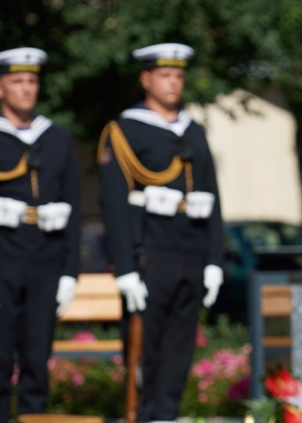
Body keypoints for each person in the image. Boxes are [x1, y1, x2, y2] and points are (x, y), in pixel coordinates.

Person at [98, 43, 224, 423]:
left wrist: (215, 260)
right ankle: (143, 414)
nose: (174, 83)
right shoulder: (124, 131)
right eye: (166, 76)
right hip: (149, 254)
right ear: (146, 78)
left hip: (191, 251)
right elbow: (115, 205)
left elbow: (212, 197)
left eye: (179, 76)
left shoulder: (194, 129)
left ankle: (167, 415)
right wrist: (124, 268)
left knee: (179, 348)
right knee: (145, 350)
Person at [0, 47, 81, 423]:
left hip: (46, 258)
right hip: (2, 258)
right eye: (16, 81)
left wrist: (70, 270)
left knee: (37, 358)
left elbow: (74, 205)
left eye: (32, 81)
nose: (26, 89)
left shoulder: (57, 137)